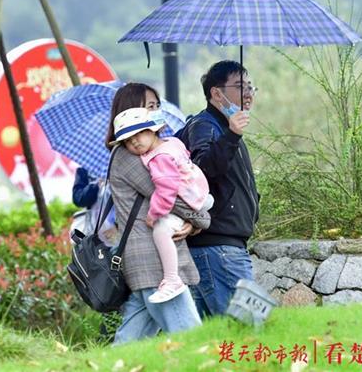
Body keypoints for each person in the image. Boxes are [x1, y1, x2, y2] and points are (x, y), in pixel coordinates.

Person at [105, 83, 209, 345]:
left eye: (156, 106)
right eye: (148, 106)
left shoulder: (151, 152)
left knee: (130, 342)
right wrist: (201, 220)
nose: (155, 111)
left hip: (147, 257)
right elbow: (167, 193)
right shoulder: (129, 155)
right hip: (154, 260)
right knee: (191, 339)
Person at [176, 60, 260, 318]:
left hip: (222, 246)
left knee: (215, 335)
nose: (248, 94)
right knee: (247, 326)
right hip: (219, 249)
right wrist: (232, 135)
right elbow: (203, 170)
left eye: (250, 87)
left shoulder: (224, 128)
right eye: (239, 86)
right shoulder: (205, 126)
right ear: (216, 93)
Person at [111, 107, 213, 304]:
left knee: (160, 231)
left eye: (138, 133)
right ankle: (172, 279)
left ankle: (172, 280)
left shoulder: (158, 157)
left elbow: (166, 191)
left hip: (188, 201)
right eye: (127, 140)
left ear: (152, 130)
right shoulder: (172, 144)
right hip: (198, 194)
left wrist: (155, 214)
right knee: (144, 322)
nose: (133, 142)